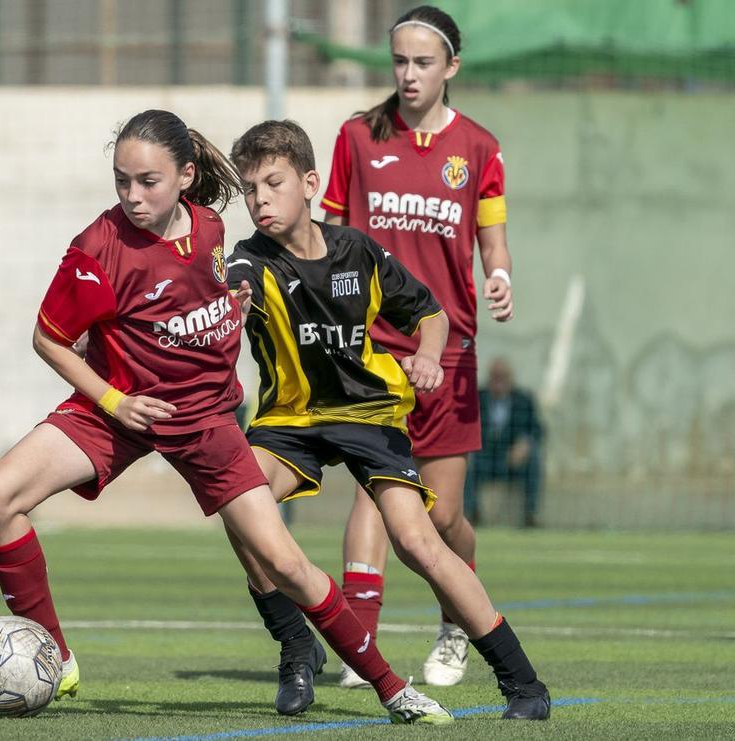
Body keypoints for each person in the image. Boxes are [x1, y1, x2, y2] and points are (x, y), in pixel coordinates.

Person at [0, 109, 453, 725]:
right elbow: (49, 339)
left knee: (284, 562)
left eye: (148, 181)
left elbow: (208, 305)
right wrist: (115, 400)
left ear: (185, 177)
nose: (132, 196)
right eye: (122, 181)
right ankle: (55, 659)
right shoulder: (97, 248)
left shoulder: (211, 230)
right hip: (122, 409)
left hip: (203, 419)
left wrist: (229, 310)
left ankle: (394, 689)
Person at [226, 119, 550, 720]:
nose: (260, 199)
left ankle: (523, 684)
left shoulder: (357, 250)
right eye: (249, 189)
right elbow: (232, 288)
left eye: (273, 183)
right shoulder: (250, 261)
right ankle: (298, 649)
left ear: (310, 182)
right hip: (289, 420)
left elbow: (431, 314)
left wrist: (428, 356)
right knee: (241, 503)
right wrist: (230, 301)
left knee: (418, 542)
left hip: (370, 414)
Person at [317, 4, 516, 688]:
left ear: (451, 68)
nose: (408, 74)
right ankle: (359, 641)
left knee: (443, 514)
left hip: (451, 349)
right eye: (399, 61)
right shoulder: (356, 137)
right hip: (373, 348)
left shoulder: (480, 150)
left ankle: (456, 621)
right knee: (374, 492)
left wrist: (499, 276)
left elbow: (491, 239)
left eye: (423, 62)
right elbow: (330, 235)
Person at [465, 358, 544, 527]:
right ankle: (471, 513)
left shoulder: (523, 400)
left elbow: (537, 429)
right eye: (495, 377)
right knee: (464, 462)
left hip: (512, 460)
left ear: (511, 378)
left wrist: (525, 443)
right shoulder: (477, 398)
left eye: (503, 377)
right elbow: (463, 426)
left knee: (534, 459)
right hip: (483, 458)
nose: (499, 382)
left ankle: (531, 514)